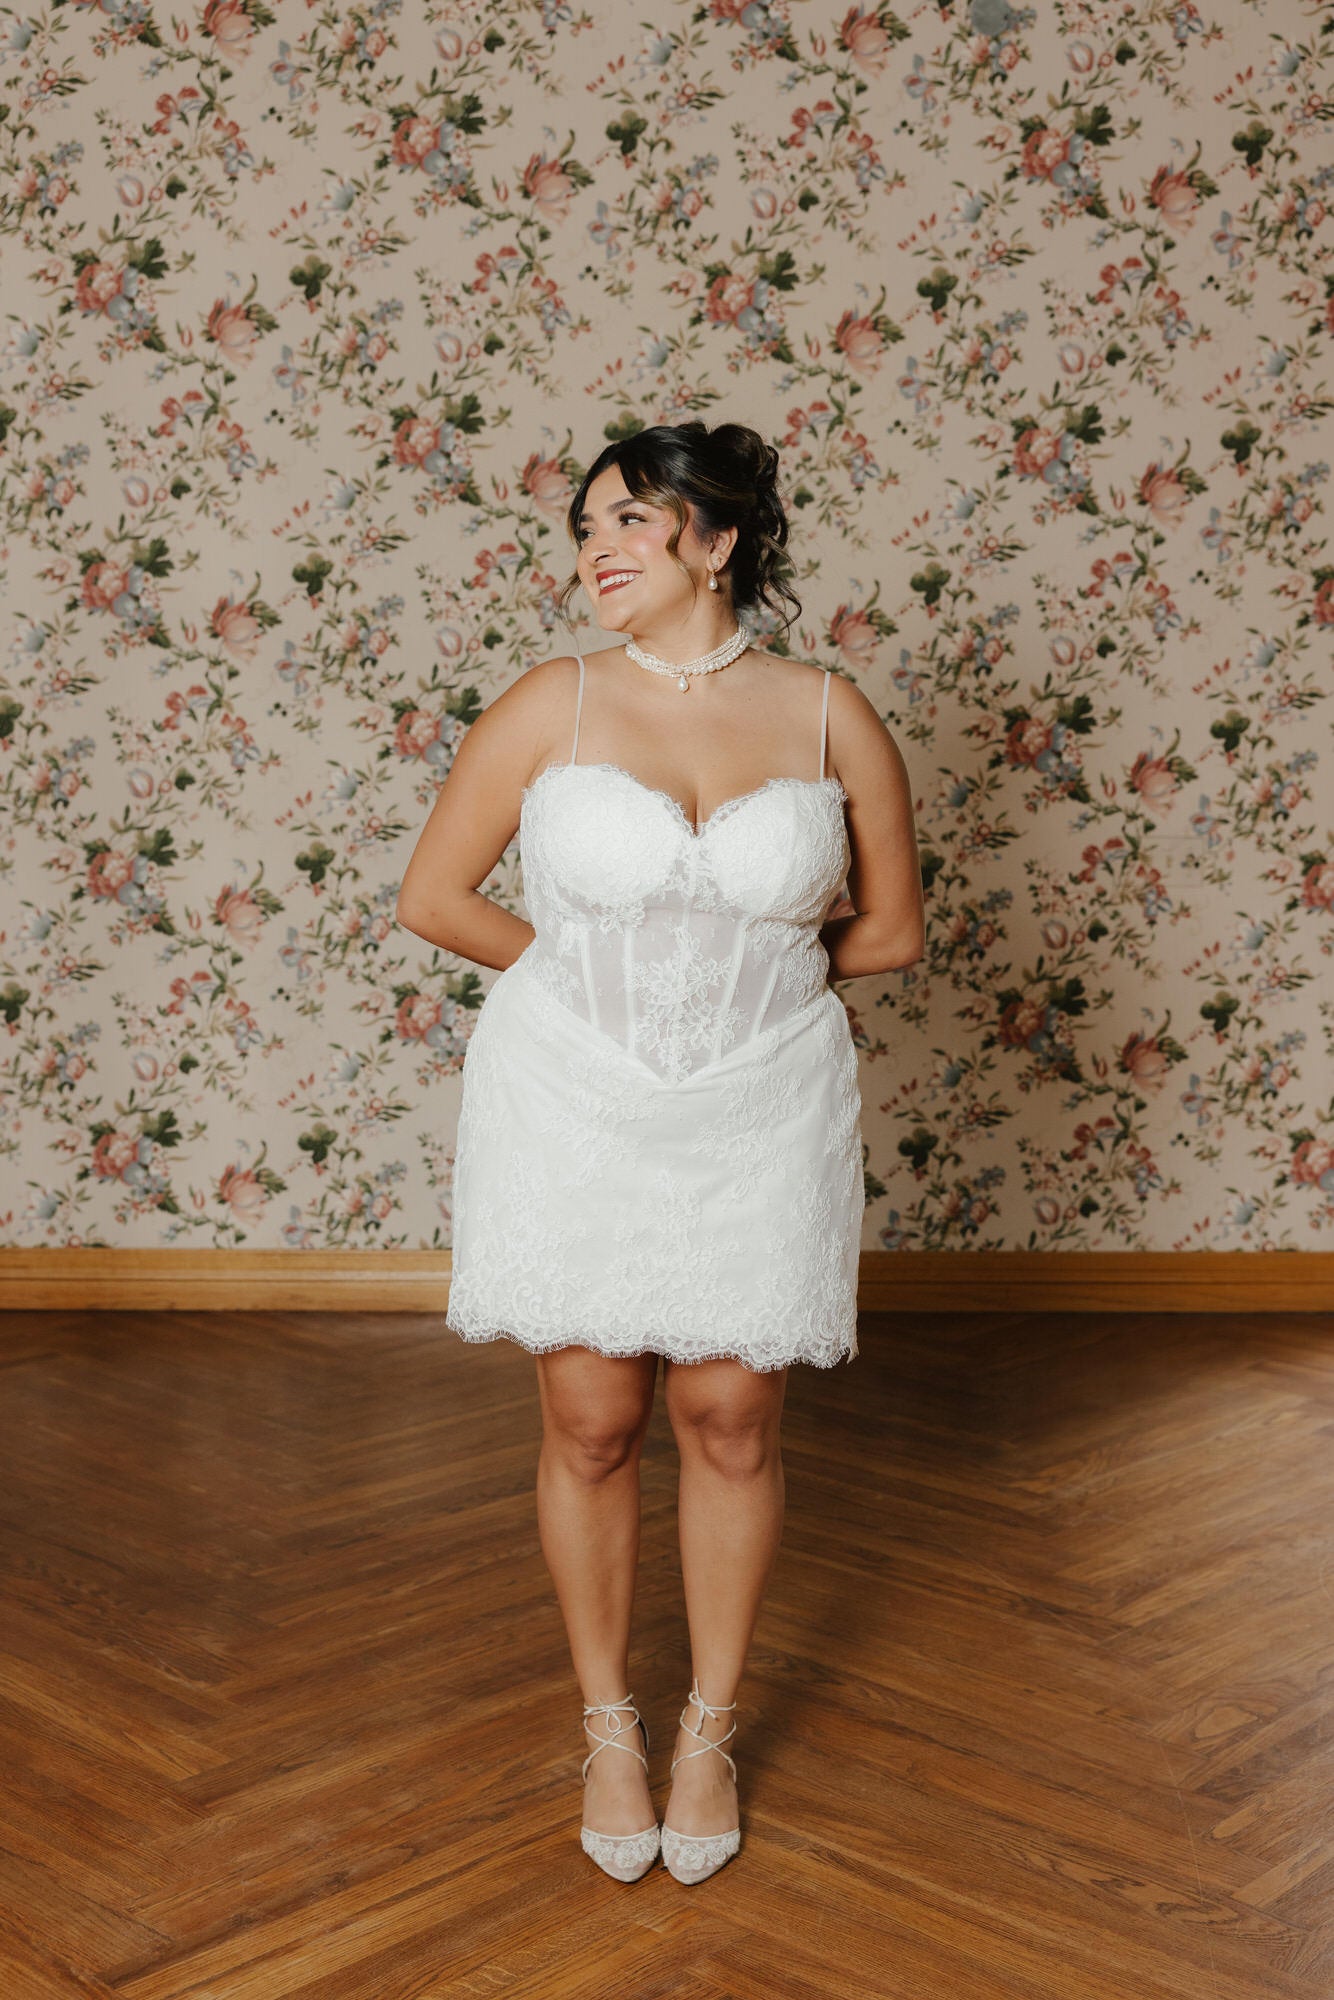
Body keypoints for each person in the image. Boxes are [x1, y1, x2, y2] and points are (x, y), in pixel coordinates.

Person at [396, 419, 924, 1884]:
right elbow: (436, 897)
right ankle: (610, 1725)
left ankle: (707, 1729)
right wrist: (581, 991)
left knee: (731, 1414)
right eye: (584, 529)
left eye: (628, 521)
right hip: (570, 1099)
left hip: (762, 1098)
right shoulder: (547, 706)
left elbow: (886, 932)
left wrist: (742, 991)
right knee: (589, 1421)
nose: (596, 552)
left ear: (718, 538)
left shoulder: (828, 715)